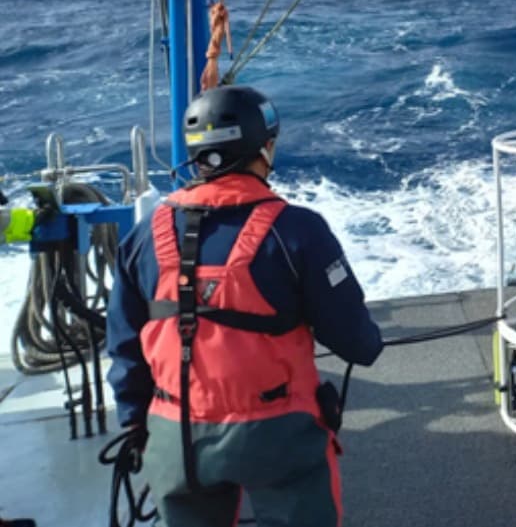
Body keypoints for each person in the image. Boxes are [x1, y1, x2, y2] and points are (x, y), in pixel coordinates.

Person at [107, 85, 383, 526]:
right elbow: (357, 343)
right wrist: (369, 339)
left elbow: (123, 343)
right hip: (277, 435)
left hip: (173, 435)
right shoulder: (297, 230)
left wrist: (135, 422)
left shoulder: (142, 237)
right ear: (264, 148)